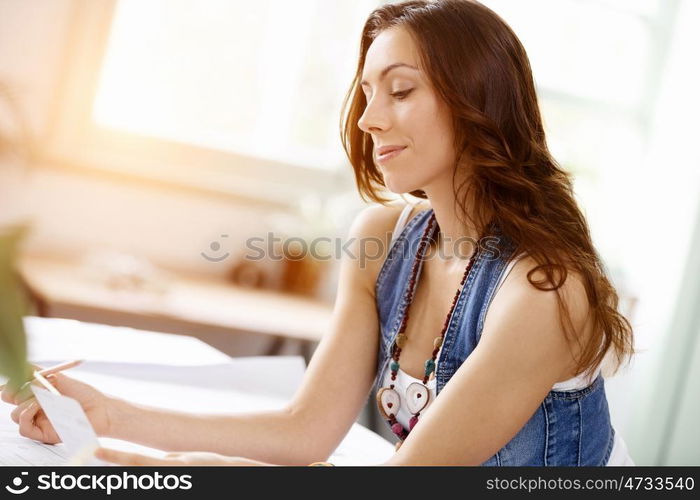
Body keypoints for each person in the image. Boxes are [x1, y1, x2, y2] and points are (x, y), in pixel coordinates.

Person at [2, 0, 636, 466]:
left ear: (478, 99)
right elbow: (305, 431)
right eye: (365, 93)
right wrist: (110, 416)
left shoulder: (541, 293)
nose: (367, 118)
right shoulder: (384, 240)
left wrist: (152, 469)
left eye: (401, 91)